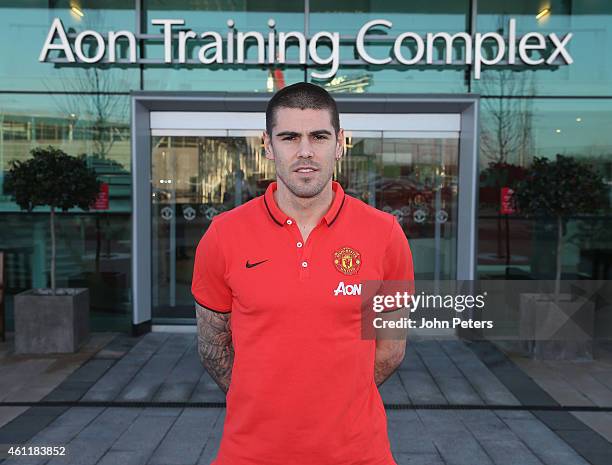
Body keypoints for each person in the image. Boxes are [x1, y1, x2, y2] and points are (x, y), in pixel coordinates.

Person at [192, 82, 414, 465]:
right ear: (267, 145)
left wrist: (337, 405)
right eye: (290, 137)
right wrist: (263, 406)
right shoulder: (223, 235)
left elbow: (391, 350)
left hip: (359, 454)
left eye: (319, 136)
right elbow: (213, 348)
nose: (305, 151)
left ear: (340, 143)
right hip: (250, 454)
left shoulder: (385, 234)